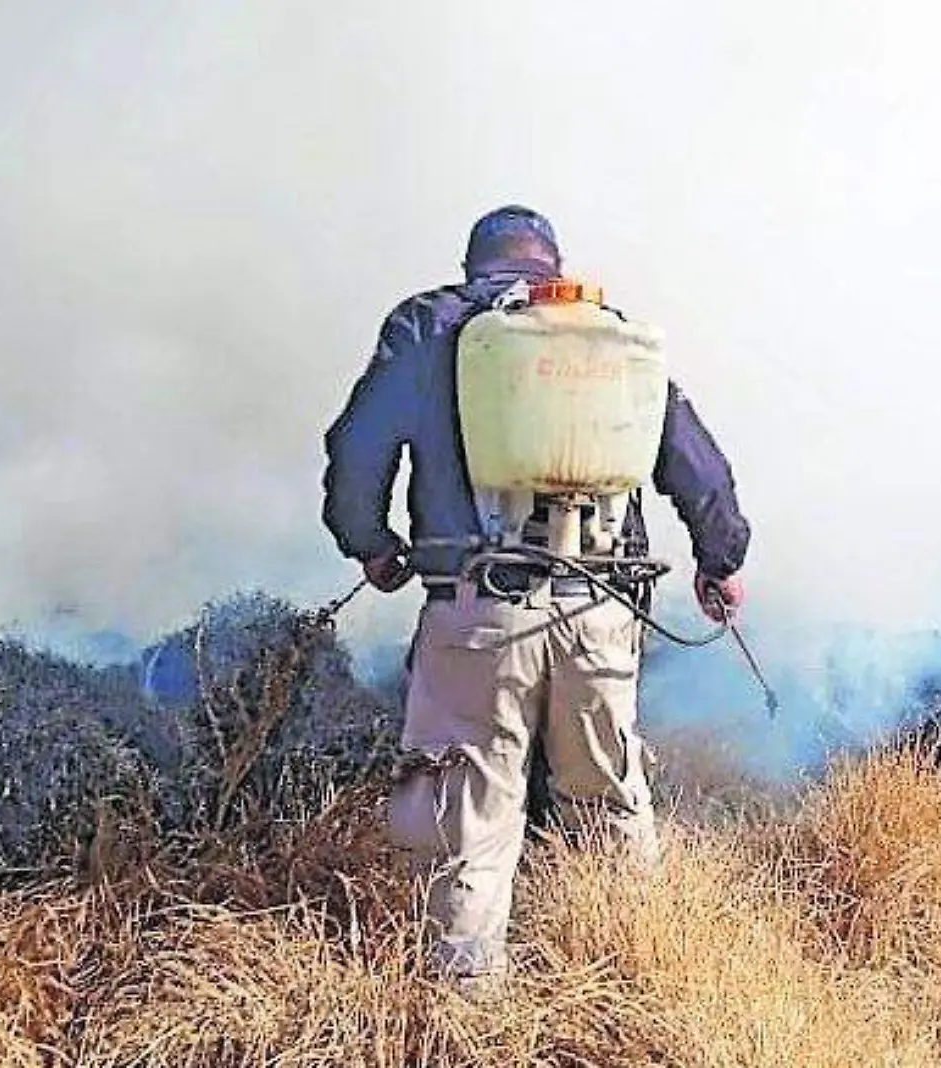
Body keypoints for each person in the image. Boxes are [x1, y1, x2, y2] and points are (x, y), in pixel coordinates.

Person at [321, 204, 751, 984]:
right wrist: (720, 560)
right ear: (551, 267)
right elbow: (697, 463)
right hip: (602, 615)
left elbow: (356, 449)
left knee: (469, 828)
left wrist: (374, 547)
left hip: (478, 613)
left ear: (473, 265)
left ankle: (468, 1023)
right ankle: (641, 997)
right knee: (610, 810)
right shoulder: (608, 336)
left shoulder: (432, 326)